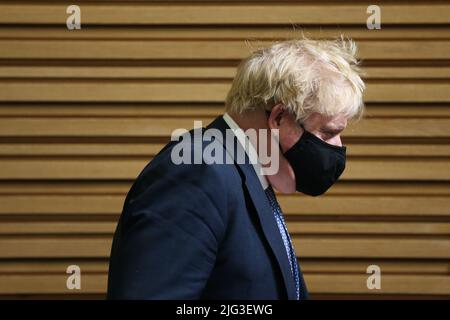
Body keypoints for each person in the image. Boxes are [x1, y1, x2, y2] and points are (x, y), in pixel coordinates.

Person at [107, 37, 365, 300]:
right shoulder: (199, 172)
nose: (337, 147)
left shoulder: (245, 172)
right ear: (278, 118)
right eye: (327, 132)